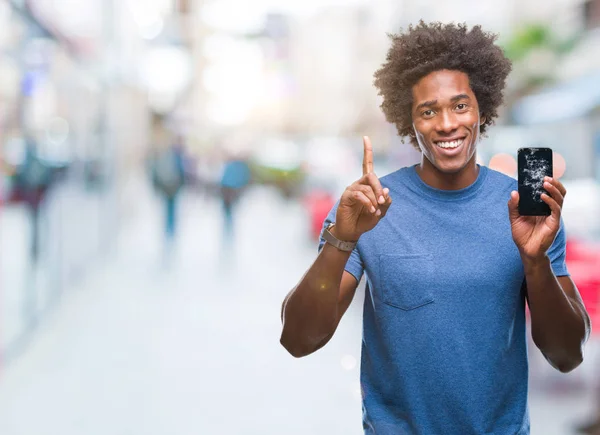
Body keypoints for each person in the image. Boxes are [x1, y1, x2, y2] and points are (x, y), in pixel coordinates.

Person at [279, 21, 591, 435]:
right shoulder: (370, 207)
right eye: (428, 111)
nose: (446, 124)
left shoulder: (527, 212)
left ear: (483, 109)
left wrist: (535, 263)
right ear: (410, 121)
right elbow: (299, 340)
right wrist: (342, 239)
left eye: (460, 105)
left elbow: (566, 355)